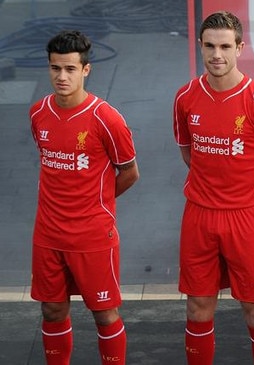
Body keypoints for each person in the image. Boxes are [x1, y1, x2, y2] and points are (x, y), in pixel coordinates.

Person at [172, 11, 254, 365]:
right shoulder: (185, 98)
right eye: (209, 46)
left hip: (247, 218)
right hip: (198, 216)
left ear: (240, 47)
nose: (216, 55)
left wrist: (253, 200)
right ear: (200, 46)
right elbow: (189, 153)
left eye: (225, 46)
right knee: (197, 308)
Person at [29, 30, 139, 365]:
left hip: (92, 235)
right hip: (48, 234)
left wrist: (96, 202)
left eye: (70, 69)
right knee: (52, 309)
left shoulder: (106, 119)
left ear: (86, 70)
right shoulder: (38, 113)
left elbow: (130, 172)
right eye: (55, 68)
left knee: (104, 313)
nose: (62, 77)